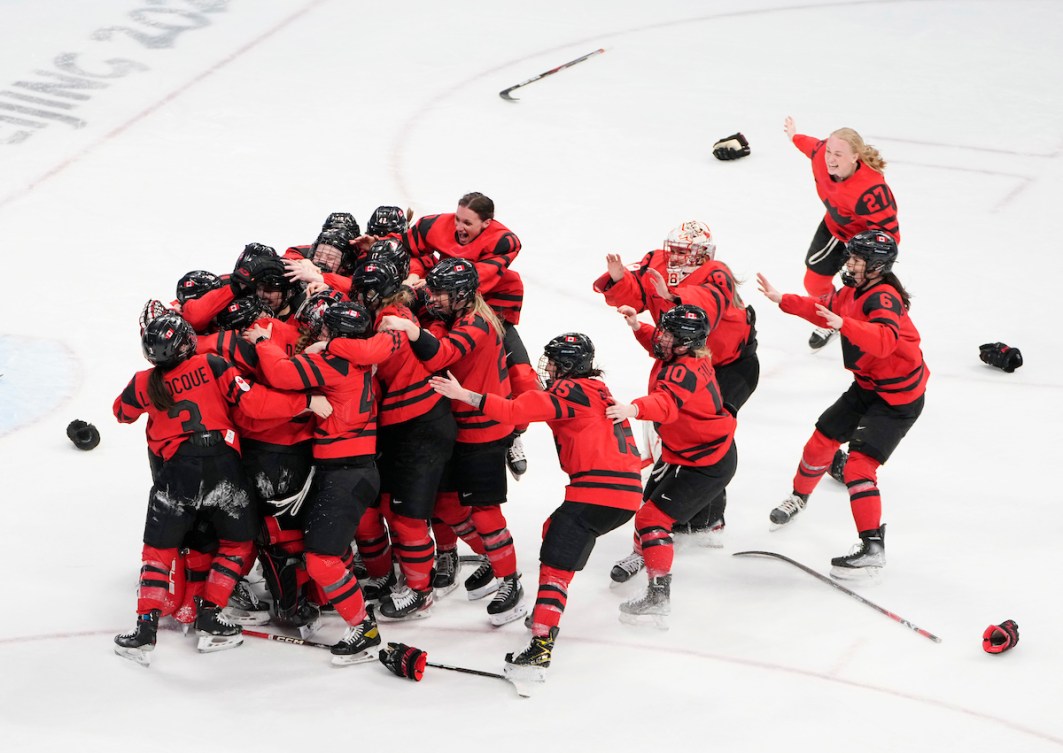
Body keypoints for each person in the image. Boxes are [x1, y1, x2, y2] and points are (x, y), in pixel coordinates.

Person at [112, 313, 331, 665]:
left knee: (158, 552)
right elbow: (255, 404)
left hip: (176, 473)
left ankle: (144, 629)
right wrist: (304, 402)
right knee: (238, 544)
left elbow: (121, 413)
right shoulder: (211, 364)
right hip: (223, 467)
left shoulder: (144, 382)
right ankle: (211, 614)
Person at [431, 332, 642, 679]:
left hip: (597, 492)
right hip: (623, 492)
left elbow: (514, 412)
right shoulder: (598, 389)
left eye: (554, 363)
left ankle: (541, 645)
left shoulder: (568, 391)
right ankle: (546, 610)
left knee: (555, 568)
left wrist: (463, 394)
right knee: (553, 530)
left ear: (568, 365)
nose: (550, 369)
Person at [756, 230, 928, 580]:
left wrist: (845, 324)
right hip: (868, 386)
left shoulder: (883, 297)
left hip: (897, 400)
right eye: (850, 257)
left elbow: (884, 341)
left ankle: (872, 548)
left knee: (858, 468)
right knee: (821, 441)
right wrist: (783, 299)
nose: (849, 263)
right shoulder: (852, 290)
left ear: (877, 266)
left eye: (857, 259)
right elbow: (824, 312)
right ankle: (798, 498)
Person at [593, 220, 758, 570]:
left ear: (704, 254)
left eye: (686, 252)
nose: (678, 257)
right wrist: (621, 281)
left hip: (730, 367)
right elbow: (639, 297)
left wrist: (672, 297)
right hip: (686, 356)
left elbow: (707, 306)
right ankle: (686, 502)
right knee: (682, 427)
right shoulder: (658, 262)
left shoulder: (717, 273)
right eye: (676, 249)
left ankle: (705, 515)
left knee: (708, 432)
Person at [246, 301, 401, 663]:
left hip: (345, 472)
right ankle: (351, 608)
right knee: (332, 551)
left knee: (320, 560)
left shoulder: (333, 362)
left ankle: (363, 627)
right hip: (355, 468)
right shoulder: (363, 356)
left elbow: (280, 373)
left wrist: (263, 341)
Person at [379, 258, 526, 626]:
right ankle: (491, 558)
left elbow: (441, 355)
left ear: (462, 294)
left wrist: (412, 331)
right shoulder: (460, 315)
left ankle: (511, 581)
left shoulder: (477, 323)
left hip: (484, 431)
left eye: (442, 293)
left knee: (486, 514)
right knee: (446, 505)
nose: (435, 298)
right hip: (460, 427)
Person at [365, 192, 538, 479]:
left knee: (522, 377)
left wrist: (435, 285)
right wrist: (413, 273)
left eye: (467, 222)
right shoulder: (433, 225)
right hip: (443, 303)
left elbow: (475, 278)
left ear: (486, 224)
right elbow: (406, 248)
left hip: (485, 308)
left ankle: (513, 434)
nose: (459, 227)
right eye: (457, 219)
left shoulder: (503, 242)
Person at [331, 258, 457, 620]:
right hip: (405, 426)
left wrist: (328, 345)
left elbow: (372, 353)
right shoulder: (388, 311)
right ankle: (407, 577)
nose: (358, 297)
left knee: (407, 517)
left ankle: (421, 591)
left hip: (421, 425)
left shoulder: (393, 316)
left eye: (363, 291)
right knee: (390, 509)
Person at [605, 305, 738, 627]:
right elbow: (658, 343)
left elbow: (665, 403)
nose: (660, 338)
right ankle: (644, 553)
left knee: (652, 518)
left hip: (705, 462)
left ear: (684, 344)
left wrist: (633, 409)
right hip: (685, 452)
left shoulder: (684, 371)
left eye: (668, 334)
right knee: (648, 503)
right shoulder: (686, 353)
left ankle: (658, 596)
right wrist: (638, 326)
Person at [784, 116, 900, 349]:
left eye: (838, 154)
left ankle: (860, 329)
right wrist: (794, 135)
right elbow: (811, 145)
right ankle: (832, 315)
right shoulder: (821, 155)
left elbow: (890, 235)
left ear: (855, 157)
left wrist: (871, 260)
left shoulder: (871, 189)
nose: (830, 158)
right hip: (835, 228)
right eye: (829, 151)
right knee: (813, 283)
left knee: (862, 294)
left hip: (866, 245)